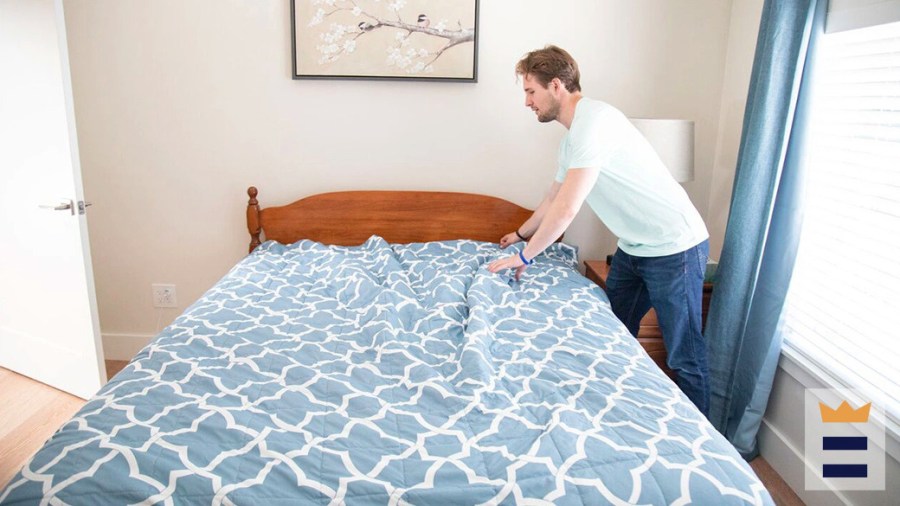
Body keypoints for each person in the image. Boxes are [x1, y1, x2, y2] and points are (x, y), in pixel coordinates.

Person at [487, 45, 711, 416]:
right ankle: (612, 413)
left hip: (675, 248)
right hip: (634, 249)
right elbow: (552, 197)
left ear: (555, 85)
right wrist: (521, 235)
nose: (527, 102)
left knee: (684, 355)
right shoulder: (572, 139)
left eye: (530, 91)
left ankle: (710, 449)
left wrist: (526, 257)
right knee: (610, 336)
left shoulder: (596, 122)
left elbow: (568, 208)